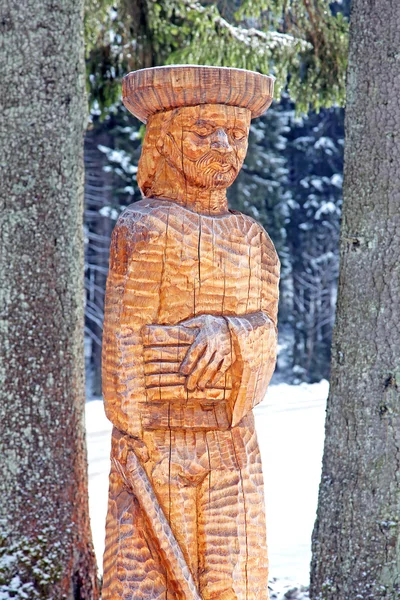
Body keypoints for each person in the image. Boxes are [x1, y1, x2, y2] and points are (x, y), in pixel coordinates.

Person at [102, 65, 280, 600]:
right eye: (204, 131)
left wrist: (232, 334)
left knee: (234, 582)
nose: (224, 146)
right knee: (149, 582)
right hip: (157, 452)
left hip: (232, 452)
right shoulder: (143, 227)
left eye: (237, 134)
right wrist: (143, 439)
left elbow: (267, 337)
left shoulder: (253, 241)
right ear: (165, 140)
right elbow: (121, 363)